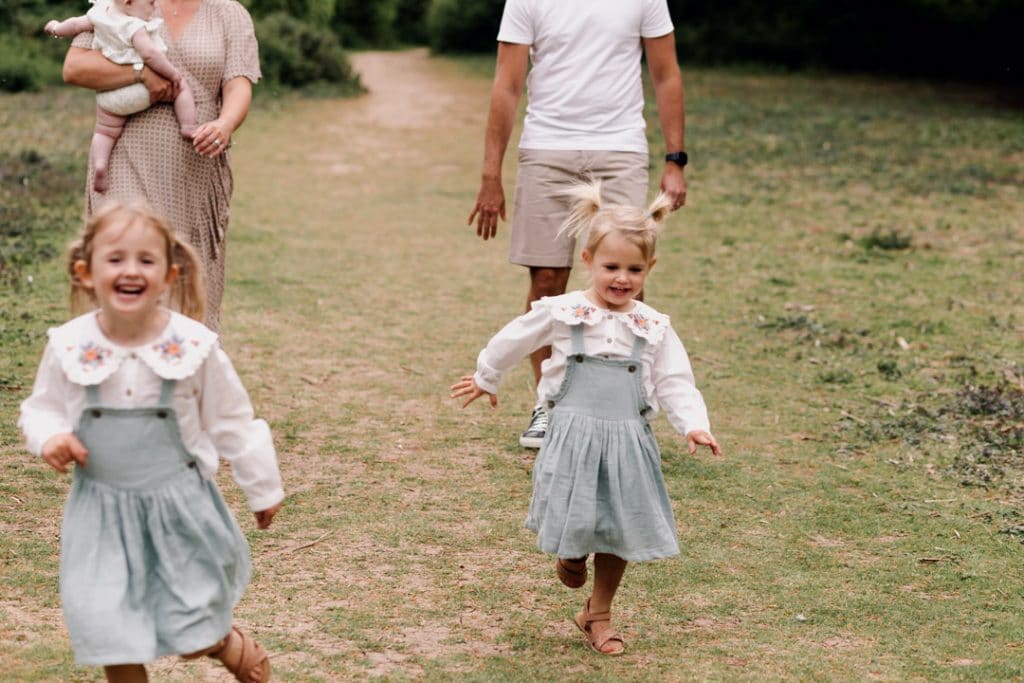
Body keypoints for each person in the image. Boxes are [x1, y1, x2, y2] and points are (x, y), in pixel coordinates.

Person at [18, 201, 284, 683]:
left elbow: (233, 420)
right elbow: (42, 408)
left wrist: (262, 488)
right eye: (115, 258)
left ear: (168, 275)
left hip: (177, 505)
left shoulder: (193, 346)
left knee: (191, 627)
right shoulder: (70, 345)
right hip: (101, 510)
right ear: (86, 271)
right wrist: (51, 436)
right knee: (110, 628)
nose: (130, 270)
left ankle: (220, 641)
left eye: (146, 260)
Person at [453, 182, 720, 656]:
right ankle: (571, 554)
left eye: (634, 269)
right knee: (577, 515)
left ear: (649, 269)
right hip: (573, 434)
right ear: (588, 259)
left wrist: (693, 424)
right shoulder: (565, 312)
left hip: (628, 440)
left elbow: (675, 379)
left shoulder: (653, 325)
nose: (622, 278)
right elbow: (514, 338)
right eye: (611, 266)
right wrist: (486, 376)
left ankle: (598, 614)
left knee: (619, 525)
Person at [466, 0, 689, 448]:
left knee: (626, 281)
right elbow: (507, 86)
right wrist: (491, 174)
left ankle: (626, 407)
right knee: (548, 282)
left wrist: (675, 160)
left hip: (620, 149)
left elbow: (666, 74)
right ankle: (549, 406)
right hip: (547, 149)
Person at [61, 0, 261, 331]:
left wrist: (224, 125)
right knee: (127, 262)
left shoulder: (229, 13)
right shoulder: (123, 3)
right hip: (125, 158)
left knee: (184, 279)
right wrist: (141, 73)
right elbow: (75, 68)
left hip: (194, 168)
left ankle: (181, 370)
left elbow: (238, 84)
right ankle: (117, 365)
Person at [45, 0, 197, 194]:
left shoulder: (100, 13)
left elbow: (74, 24)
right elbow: (150, 55)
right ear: (128, 3)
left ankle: (100, 164)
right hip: (139, 90)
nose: (154, 5)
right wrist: (173, 74)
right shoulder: (134, 26)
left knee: (105, 131)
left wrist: (56, 27)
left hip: (109, 95)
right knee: (181, 89)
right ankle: (189, 126)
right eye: (150, 2)